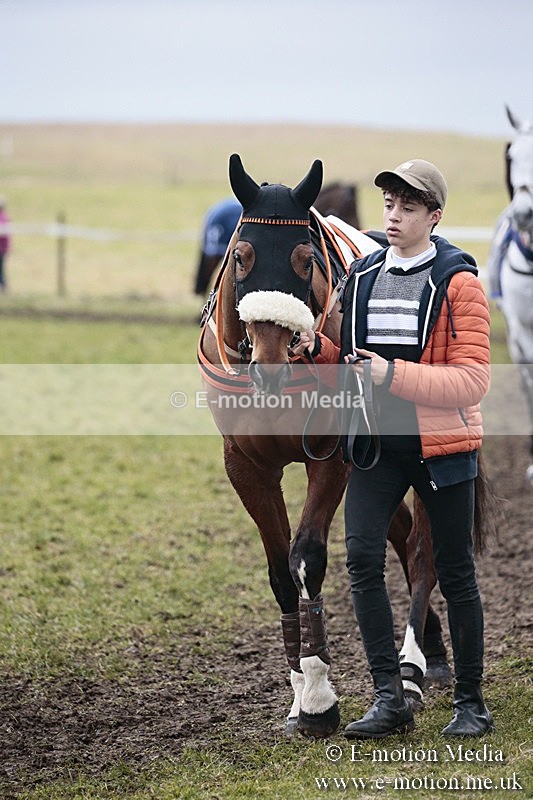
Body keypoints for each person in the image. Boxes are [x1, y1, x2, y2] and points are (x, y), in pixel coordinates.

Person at [293, 159, 493, 739]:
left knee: (456, 574)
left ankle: (470, 703)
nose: (394, 217)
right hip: (375, 447)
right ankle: (389, 700)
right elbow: (353, 362)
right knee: (360, 561)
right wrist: (319, 350)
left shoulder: (461, 285)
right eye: (389, 207)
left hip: (441, 448)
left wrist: (390, 376)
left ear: (435, 216)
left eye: (408, 208)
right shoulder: (362, 277)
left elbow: (473, 381)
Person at [0, 197, 11, 291]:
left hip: (1, 248)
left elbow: (4, 234)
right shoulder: (5, 217)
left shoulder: (3, 218)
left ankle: (3, 285)